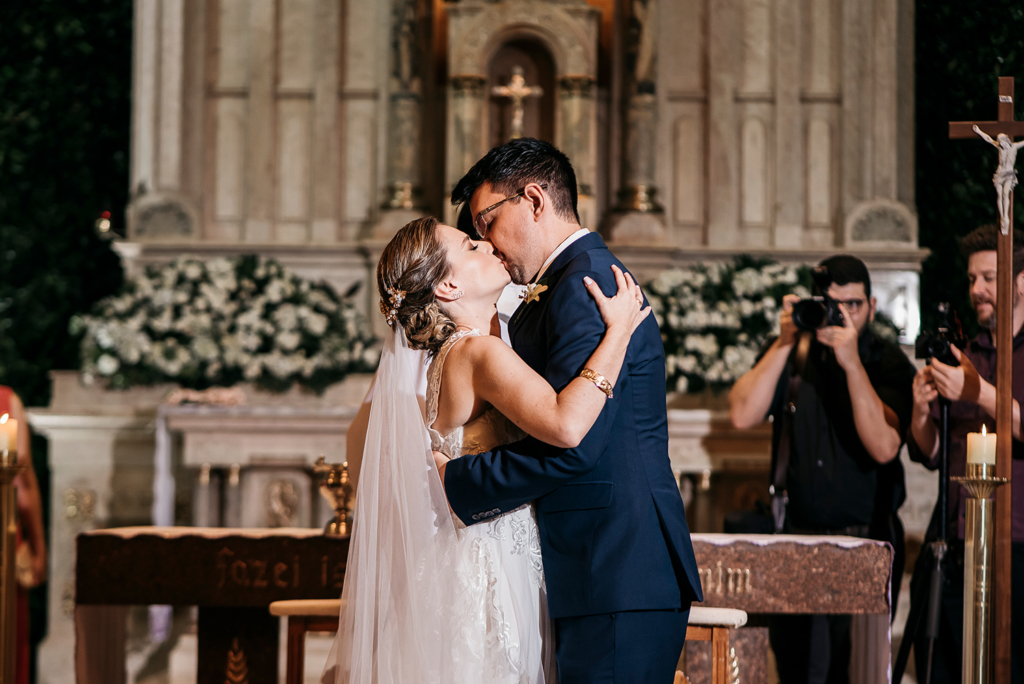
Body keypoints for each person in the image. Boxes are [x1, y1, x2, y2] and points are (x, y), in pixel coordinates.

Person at [322, 214, 651, 683]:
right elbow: (565, 424)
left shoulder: (449, 356)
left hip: (465, 556)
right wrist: (618, 333)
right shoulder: (479, 353)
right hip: (492, 566)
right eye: (470, 247)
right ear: (448, 287)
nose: (485, 243)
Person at [437, 138, 703, 683]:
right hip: (598, 567)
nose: (486, 243)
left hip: (615, 565)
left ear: (533, 200)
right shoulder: (562, 284)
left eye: (486, 222)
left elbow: (573, 443)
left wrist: (456, 482)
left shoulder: (588, 284)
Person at [728, 255, 915, 684]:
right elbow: (741, 414)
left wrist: (851, 363)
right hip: (796, 538)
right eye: (831, 304)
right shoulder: (795, 354)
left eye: (851, 305)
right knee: (797, 670)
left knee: (856, 672)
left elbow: (885, 446)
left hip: (865, 542)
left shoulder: (886, 361)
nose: (840, 315)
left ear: (870, 305)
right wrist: (783, 342)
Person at [907, 224, 1024, 684]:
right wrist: (920, 415)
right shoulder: (965, 353)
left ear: (1021, 282)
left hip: (1015, 543)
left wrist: (978, 392)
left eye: (990, 278)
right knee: (942, 664)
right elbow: (936, 453)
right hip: (956, 541)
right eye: (973, 279)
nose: (977, 290)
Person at [0, 386, 47, 684]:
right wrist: (40, 547)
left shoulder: (7, 402)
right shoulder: (6, 401)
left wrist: (38, 547)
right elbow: (22, 488)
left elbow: (20, 485)